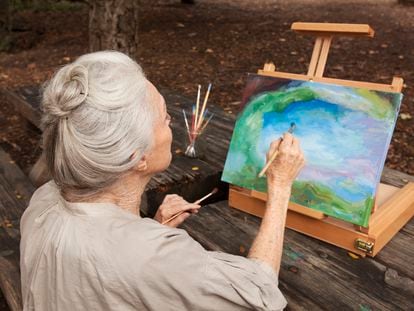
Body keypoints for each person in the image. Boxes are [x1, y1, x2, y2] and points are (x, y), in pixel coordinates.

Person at [20, 51, 305, 311]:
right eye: (164, 117)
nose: (171, 122)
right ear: (137, 156)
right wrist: (279, 186)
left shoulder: (43, 200)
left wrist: (151, 228)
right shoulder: (154, 258)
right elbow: (260, 293)